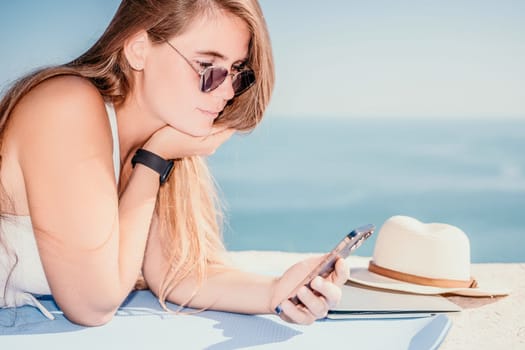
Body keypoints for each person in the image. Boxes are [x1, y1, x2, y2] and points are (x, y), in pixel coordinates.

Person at [0, 0, 348, 326]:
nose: (226, 91)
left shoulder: (163, 137)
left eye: (237, 71)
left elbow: (172, 273)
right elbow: (93, 304)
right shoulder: (65, 106)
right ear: (138, 49)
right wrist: (154, 160)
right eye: (207, 67)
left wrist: (276, 291)